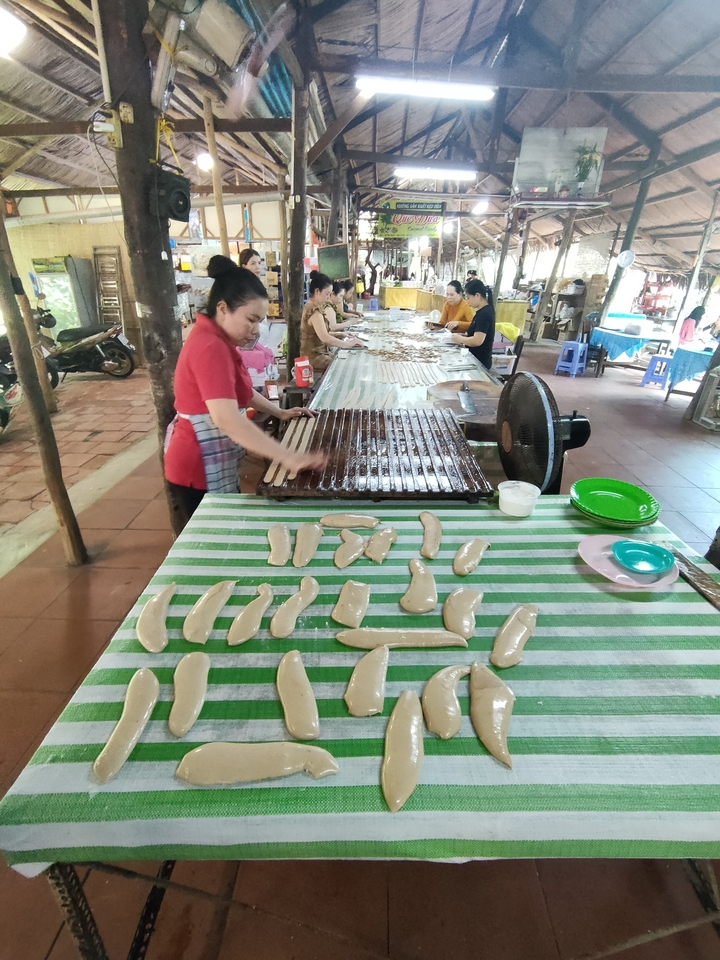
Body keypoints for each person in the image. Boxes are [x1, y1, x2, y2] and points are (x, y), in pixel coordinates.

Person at [164, 260, 325, 527]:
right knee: (209, 542)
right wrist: (288, 457)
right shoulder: (209, 347)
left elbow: (243, 391)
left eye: (259, 321)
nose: (256, 329)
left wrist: (280, 412)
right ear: (223, 309)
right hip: (196, 466)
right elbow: (226, 418)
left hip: (210, 459)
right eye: (251, 320)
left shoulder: (221, 342)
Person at [301, 271, 363, 371]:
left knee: (344, 360)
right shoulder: (314, 311)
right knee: (343, 366)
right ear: (317, 291)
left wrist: (341, 334)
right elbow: (325, 338)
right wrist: (348, 344)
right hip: (313, 357)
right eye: (327, 294)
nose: (328, 298)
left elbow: (323, 333)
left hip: (321, 352)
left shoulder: (314, 306)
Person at [447, 278, 496, 370]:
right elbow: (476, 332)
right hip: (475, 358)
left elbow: (477, 341)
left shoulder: (485, 314)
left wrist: (460, 339)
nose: (467, 301)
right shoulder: (481, 312)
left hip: (480, 362)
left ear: (477, 295)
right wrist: (464, 335)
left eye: (468, 297)